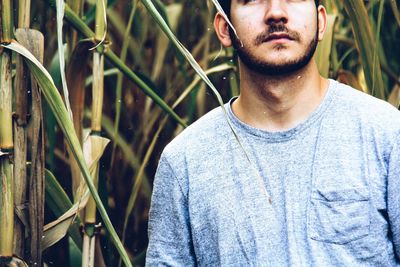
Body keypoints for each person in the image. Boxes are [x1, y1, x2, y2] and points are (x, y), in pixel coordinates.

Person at [146, 0, 400, 265]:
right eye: (253, 0)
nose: (276, 12)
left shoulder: (386, 135)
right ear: (223, 29)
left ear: (321, 22)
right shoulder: (185, 162)